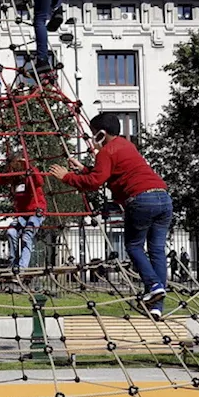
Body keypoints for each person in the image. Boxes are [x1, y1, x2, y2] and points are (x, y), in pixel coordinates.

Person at [49, 114, 171, 319]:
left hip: (141, 200)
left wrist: (67, 177)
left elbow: (95, 183)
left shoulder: (105, 151)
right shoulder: (126, 145)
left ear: (101, 134)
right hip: (163, 198)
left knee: (133, 246)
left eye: (92, 133)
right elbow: (110, 173)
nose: (91, 137)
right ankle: (157, 306)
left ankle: (154, 285)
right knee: (157, 250)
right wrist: (84, 169)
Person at [0, 156, 46, 270]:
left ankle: (22, 267)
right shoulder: (14, 181)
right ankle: (13, 264)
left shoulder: (29, 178)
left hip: (36, 212)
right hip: (22, 215)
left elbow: (39, 181)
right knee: (11, 232)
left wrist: (30, 168)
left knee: (26, 237)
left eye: (13, 170)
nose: (11, 173)